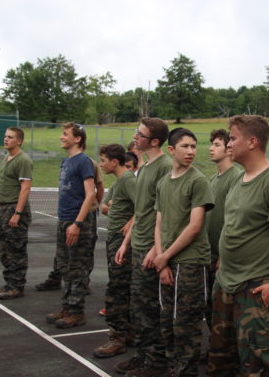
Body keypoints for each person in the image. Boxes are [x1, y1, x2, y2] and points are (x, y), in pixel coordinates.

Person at [208, 115, 269, 376]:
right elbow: (235, 226)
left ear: (252, 142)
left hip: (255, 287)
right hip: (226, 283)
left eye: (233, 138)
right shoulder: (240, 179)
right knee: (221, 360)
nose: (228, 143)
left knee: (261, 365)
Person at [153, 128, 215, 377]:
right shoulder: (163, 183)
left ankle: (185, 371)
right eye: (185, 146)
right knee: (167, 321)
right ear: (171, 150)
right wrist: (161, 260)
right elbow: (159, 223)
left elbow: (195, 226)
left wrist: (165, 256)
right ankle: (173, 368)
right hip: (167, 261)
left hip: (190, 262)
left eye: (193, 146)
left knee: (186, 324)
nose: (191, 151)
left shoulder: (198, 181)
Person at [114, 117, 171, 376]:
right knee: (138, 308)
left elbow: (167, 212)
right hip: (137, 244)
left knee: (150, 309)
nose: (135, 137)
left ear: (155, 141)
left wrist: (155, 250)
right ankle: (142, 355)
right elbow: (141, 210)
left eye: (140, 134)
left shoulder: (164, 166)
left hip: (150, 247)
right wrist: (126, 242)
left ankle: (156, 362)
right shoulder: (145, 167)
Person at [46, 122, 95, 329]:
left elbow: (90, 194)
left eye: (65, 134)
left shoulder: (83, 161)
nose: (61, 137)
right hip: (64, 220)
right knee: (65, 267)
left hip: (77, 222)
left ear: (77, 139)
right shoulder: (66, 162)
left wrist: (77, 224)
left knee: (77, 269)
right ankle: (67, 307)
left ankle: (76, 313)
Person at [35, 155, 103, 292]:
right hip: (68, 214)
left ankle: (81, 283)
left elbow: (99, 187)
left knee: (83, 252)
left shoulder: (88, 163)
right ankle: (57, 278)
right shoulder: (67, 162)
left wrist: (93, 205)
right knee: (62, 251)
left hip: (83, 214)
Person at [93, 144, 136, 358]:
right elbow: (107, 207)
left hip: (122, 242)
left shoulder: (128, 180)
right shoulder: (120, 181)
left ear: (114, 161)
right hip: (114, 240)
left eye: (103, 160)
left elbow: (145, 205)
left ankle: (118, 337)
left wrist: (130, 223)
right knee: (120, 288)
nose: (101, 165)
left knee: (117, 290)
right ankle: (127, 333)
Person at [0, 127, 33, 300]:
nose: (6, 139)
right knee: (4, 250)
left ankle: (16, 286)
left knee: (16, 250)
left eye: (10, 137)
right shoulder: (5, 159)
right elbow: (2, 184)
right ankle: (9, 283)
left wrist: (17, 213)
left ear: (19, 141)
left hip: (13, 208)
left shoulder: (23, 160)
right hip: (2, 209)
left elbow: (25, 188)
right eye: (5, 136)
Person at [205, 129, 240, 329]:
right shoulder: (213, 179)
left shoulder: (236, 177)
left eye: (217, 145)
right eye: (212, 144)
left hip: (223, 256)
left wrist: (223, 256)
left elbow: (234, 219)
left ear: (228, 149)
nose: (211, 148)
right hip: (208, 254)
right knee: (209, 305)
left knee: (223, 309)